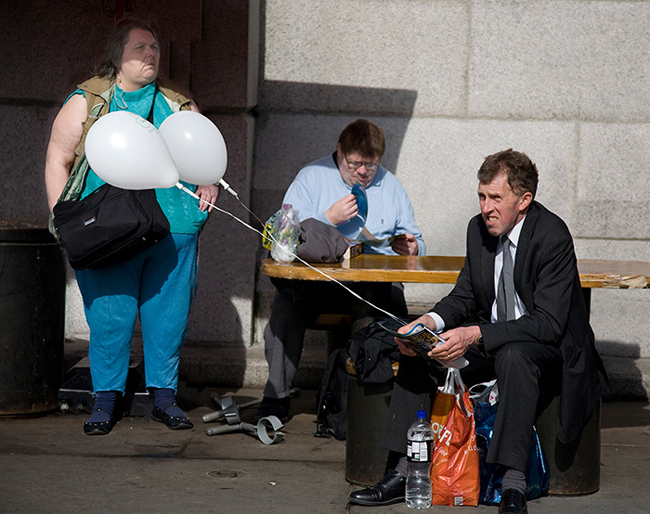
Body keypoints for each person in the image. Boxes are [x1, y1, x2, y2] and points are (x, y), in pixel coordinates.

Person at [348, 149, 605, 513]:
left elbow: (547, 324)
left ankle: (512, 484)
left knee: (515, 356)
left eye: (497, 198)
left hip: (548, 348)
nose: (487, 207)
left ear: (524, 200)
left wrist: (473, 335)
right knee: (418, 349)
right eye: (482, 196)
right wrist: (429, 323)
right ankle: (404, 470)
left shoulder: (552, 237)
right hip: (493, 339)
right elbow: (464, 296)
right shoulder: (478, 229)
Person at [44, 18, 219, 436]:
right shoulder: (89, 99)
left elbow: (204, 148)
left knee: (168, 317)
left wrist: (209, 181)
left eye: (155, 47)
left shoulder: (177, 101)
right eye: (140, 48)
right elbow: (58, 156)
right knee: (110, 314)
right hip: (109, 229)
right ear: (117, 57)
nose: (151, 54)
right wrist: (62, 217)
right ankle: (106, 399)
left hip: (173, 226)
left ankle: (164, 397)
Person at [253, 119, 426, 423]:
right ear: (339, 152)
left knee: (392, 314)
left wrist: (413, 247)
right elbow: (284, 236)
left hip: (373, 286)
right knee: (284, 309)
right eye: (355, 163)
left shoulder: (390, 185)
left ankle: (375, 401)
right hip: (318, 285)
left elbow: (418, 240)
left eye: (370, 166)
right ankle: (275, 397)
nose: (362, 172)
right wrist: (327, 217)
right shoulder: (312, 177)